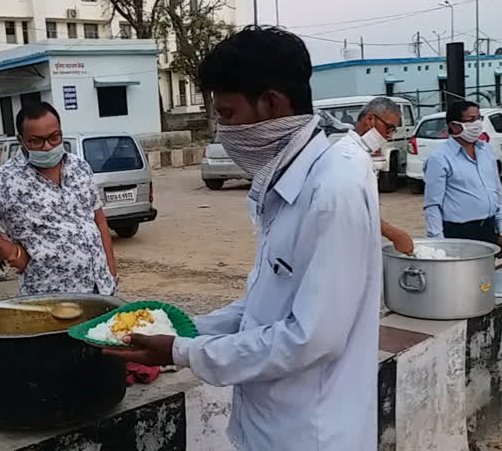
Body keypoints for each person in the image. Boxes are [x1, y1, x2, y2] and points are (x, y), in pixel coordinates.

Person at [105, 26, 381, 451]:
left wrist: (183, 353)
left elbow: (311, 337)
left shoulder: (332, 189)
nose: (224, 132)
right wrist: (183, 329)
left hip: (312, 434)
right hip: (269, 426)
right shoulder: (289, 179)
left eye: (228, 115)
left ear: (272, 103)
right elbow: (265, 305)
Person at [0, 102, 117, 295]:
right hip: (51, 300)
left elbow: (98, 221)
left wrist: (110, 273)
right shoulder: (7, 180)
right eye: (37, 141)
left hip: (100, 290)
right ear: (21, 140)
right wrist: (10, 252)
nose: (48, 146)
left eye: (54, 137)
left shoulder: (79, 167)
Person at [334, 96, 415, 254]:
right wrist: (394, 234)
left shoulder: (359, 153)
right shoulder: (348, 156)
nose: (390, 136)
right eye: (389, 128)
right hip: (344, 245)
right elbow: (353, 208)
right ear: (370, 119)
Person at [423, 101, 502, 245]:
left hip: (488, 228)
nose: (477, 124)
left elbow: (497, 191)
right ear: (454, 125)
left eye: (479, 118)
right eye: (471, 120)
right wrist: (437, 242)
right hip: (459, 232)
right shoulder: (440, 158)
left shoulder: (486, 151)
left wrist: (500, 229)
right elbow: (433, 205)